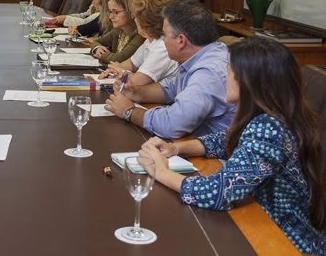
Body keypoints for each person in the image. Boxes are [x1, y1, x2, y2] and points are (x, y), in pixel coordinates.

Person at [139, 37, 325, 255]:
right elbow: (224, 141)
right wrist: (176, 149)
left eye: (229, 70)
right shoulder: (271, 116)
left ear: (251, 80)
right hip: (259, 226)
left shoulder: (269, 128)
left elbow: (220, 192)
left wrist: (160, 171)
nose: (224, 77)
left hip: (282, 242)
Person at [105, 0, 236, 138]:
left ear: (181, 40)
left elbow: (173, 124)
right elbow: (170, 88)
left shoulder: (208, 72)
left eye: (164, 35)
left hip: (212, 156)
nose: (162, 40)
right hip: (193, 142)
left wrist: (129, 111)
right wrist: (136, 92)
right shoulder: (202, 56)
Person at [98, 0, 178, 86]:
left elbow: (137, 81)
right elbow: (131, 64)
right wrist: (113, 70)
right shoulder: (150, 41)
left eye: (135, 16)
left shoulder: (162, 46)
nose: (134, 19)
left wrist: (120, 71)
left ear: (147, 20)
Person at [90, 0, 145, 64]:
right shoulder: (118, 30)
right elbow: (97, 41)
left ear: (131, 11)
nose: (110, 16)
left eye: (116, 12)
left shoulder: (141, 35)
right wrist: (97, 48)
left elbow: (118, 59)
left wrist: (101, 55)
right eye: (110, 11)